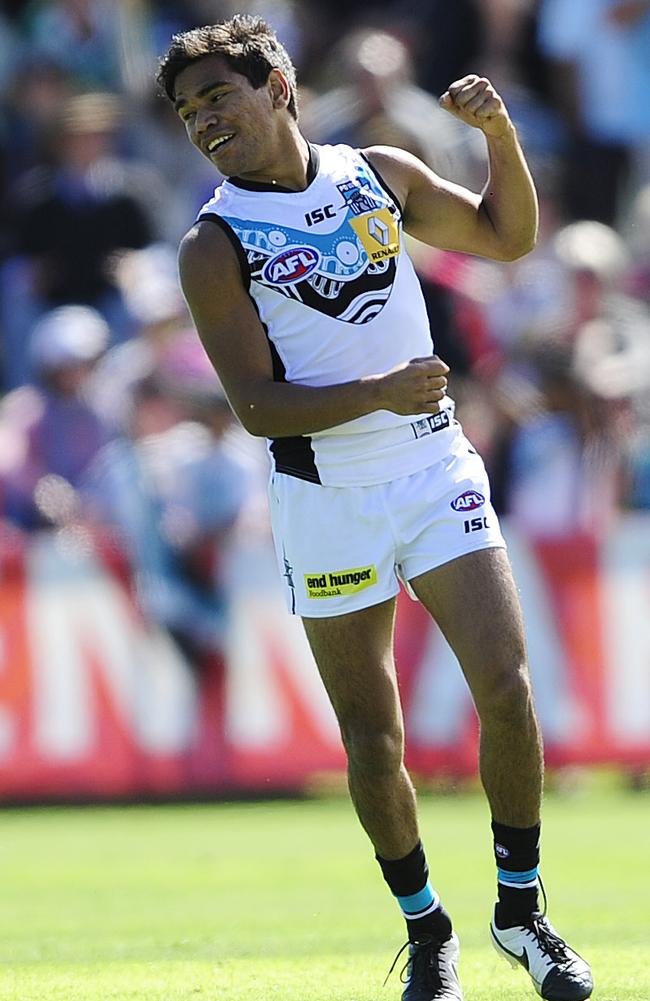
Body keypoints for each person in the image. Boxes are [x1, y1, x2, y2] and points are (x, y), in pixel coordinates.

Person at [157, 16, 593, 1001]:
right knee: (372, 739)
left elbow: (505, 237)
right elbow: (256, 405)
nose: (203, 124)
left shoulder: (375, 173)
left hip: (430, 461)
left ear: (276, 84)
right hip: (325, 496)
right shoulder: (212, 244)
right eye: (188, 114)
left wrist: (500, 138)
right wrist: (375, 391)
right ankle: (425, 925)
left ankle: (519, 911)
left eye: (217, 98)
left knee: (508, 689)